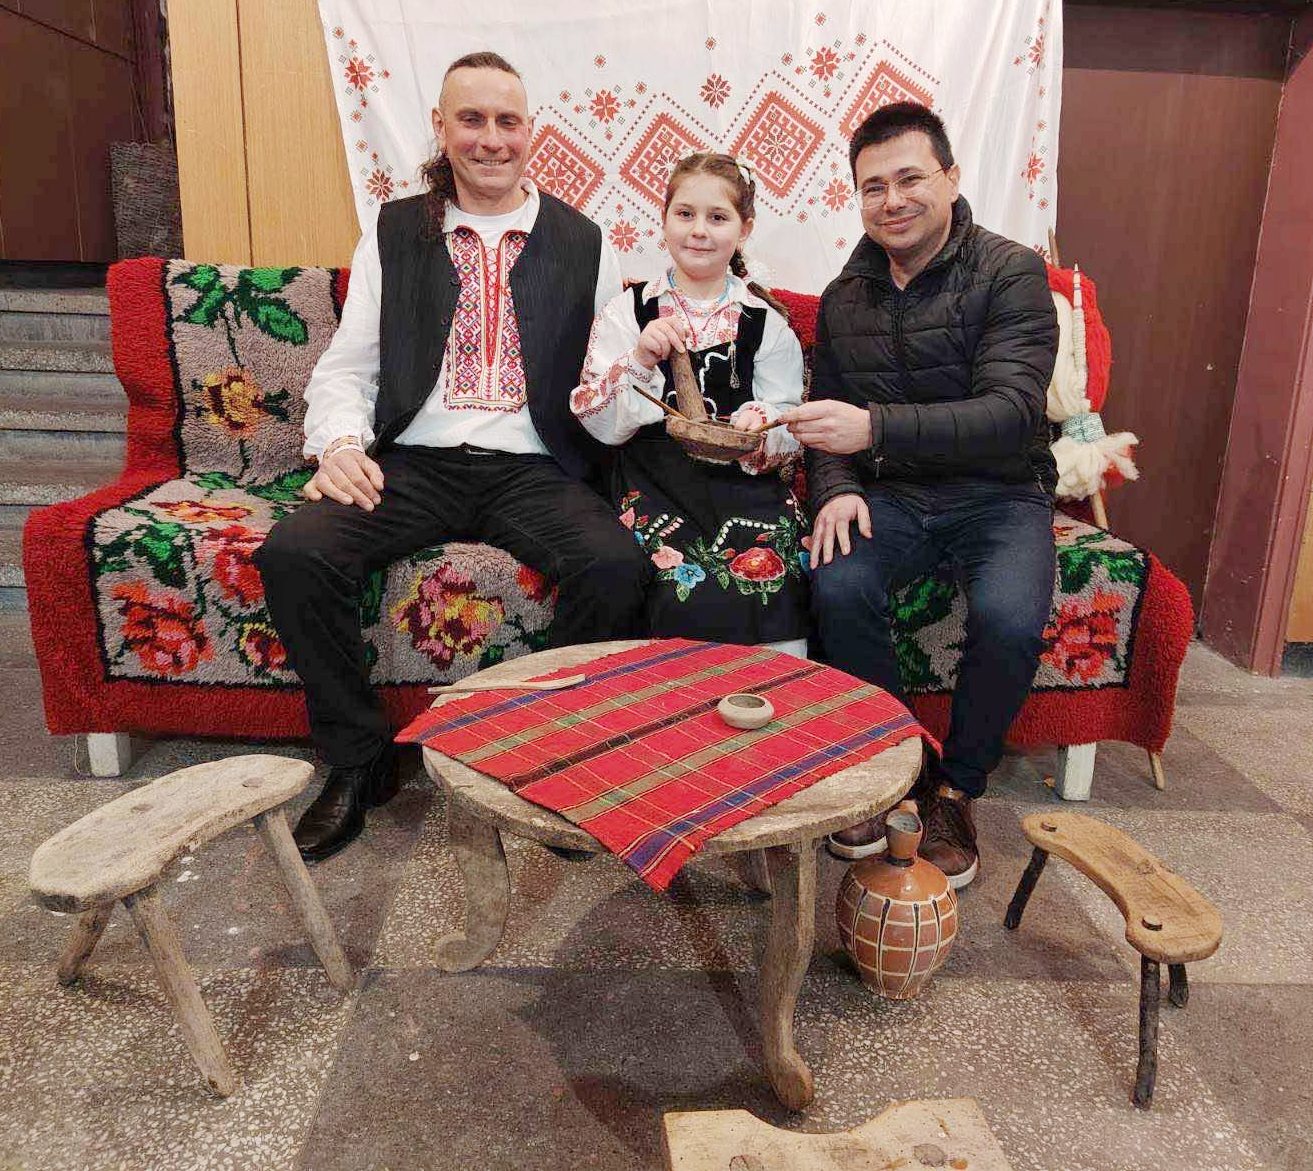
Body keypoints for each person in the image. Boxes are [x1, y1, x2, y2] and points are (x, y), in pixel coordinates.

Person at [256, 51, 650, 862]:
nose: (491, 139)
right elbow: (348, 365)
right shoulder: (395, 230)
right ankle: (358, 759)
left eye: (508, 121)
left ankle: (552, 755)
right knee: (296, 551)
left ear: (532, 132)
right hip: (416, 461)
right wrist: (339, 444)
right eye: (471, 119)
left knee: (616, 567)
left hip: (533, 466)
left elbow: (606, 372)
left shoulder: (584, 241)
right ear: (440, 127)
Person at [781, 102, 1058, 888]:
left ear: (950, 178)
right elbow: (826, 422)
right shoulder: (845, 295)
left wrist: (872, 429)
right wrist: (835, 488)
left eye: (909, 179)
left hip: (999, 492)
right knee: (835, 581)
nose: (892, 200)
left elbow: (1010, 413)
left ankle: (956, 789)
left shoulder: (1010, 271)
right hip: (892, 492)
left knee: (1009, 618)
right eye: (873, 187)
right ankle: (897, 769)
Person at [569, 153, 808, 651]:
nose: (699, 230)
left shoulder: (765, 322)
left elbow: (790, 426)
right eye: (685, 214)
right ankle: (671, 694)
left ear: (744, 229)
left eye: (717, 217)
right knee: (678, 582)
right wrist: (639, 358)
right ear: (664, 220)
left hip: (744, 483)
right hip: (654, 480)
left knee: (775, 570)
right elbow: (598, 424)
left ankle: (771, 690)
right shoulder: (627, 311)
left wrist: (761, 424)